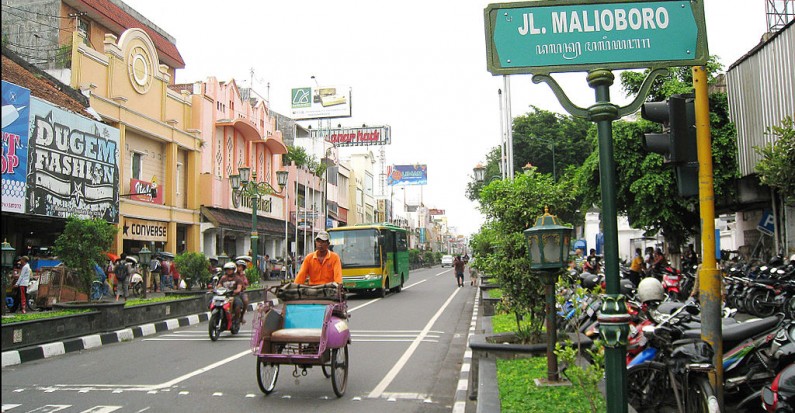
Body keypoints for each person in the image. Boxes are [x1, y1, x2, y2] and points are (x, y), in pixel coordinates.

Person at [235, 259, 250, 324]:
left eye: (241, 267)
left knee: (245, 301)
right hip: (230, 292)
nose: (239, 268)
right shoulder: (231, 274)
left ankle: (241, 316)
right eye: (238, 266)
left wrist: (243, 286)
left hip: (240, 292)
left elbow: (246, 284)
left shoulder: (243, 276)